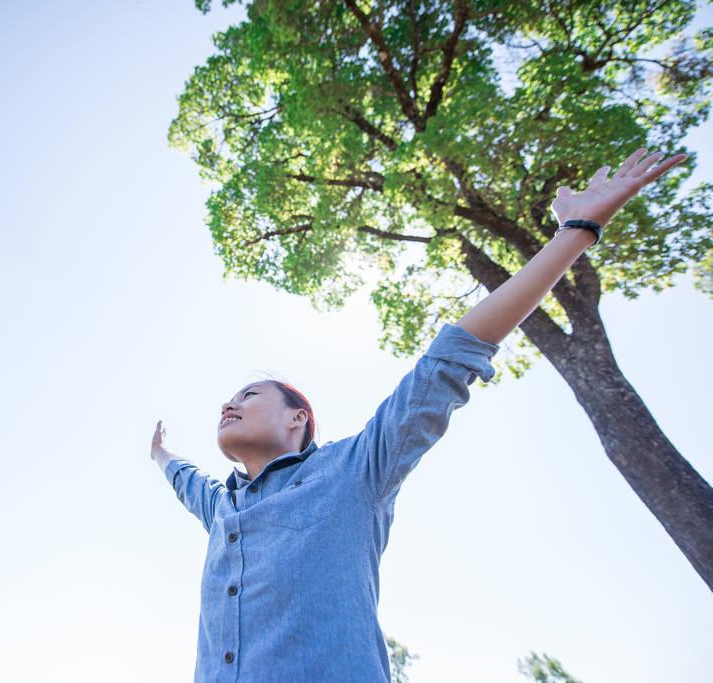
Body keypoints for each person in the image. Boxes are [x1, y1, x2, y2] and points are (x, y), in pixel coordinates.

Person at [150, 148, 686, 682]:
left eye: (249, 394)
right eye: (229, 399)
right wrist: (161, 453)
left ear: (299, 418)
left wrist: (577, 229)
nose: (230, 404)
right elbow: (185, 479)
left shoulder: (355, 469)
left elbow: (450, 358)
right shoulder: (221, 509)